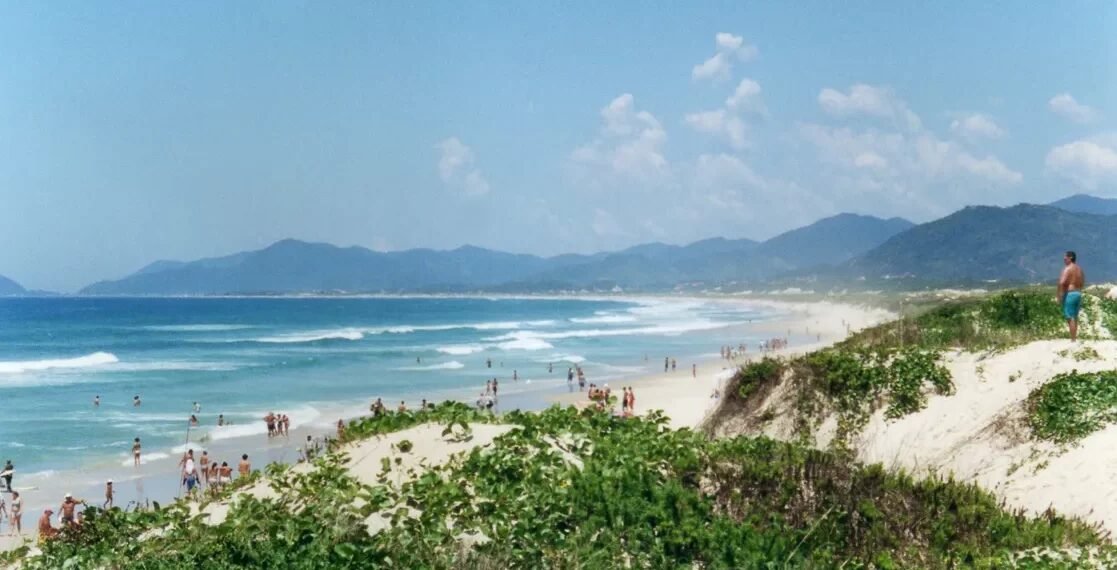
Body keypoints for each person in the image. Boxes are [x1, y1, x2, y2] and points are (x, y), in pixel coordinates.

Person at [1058, 250, 1085, 342]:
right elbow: (1082, 282)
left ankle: (1073, 339)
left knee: (1070, 317)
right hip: (1078, 293)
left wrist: (1060, 295)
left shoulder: (1068, 268)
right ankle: (1074, 338)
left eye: (1065, 257)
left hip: (1070, 294)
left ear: (1071, 258)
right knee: (1075, 316)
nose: (1064, 259)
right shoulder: (1079, 269)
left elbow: (1062, 282)